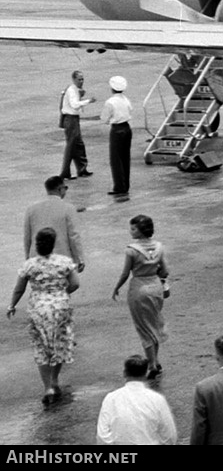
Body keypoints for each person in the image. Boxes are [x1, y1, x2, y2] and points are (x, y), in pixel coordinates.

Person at [7, 227, 80, 405]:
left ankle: (47, 387)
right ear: (53, 244)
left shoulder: (30, 265)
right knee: (59, 343)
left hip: (38, 308)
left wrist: (12, 305)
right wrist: (62, 293)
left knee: (41, 347)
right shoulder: (64, 262)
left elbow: (19, 288)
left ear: (36, 245)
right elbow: (75, 283)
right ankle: (55, 380)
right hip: (60, 306)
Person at [112, 215, 168, 377]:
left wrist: (117, 287)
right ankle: (155, 360)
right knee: (154, 323)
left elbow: (125, 273)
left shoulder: (131, 250)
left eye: (133, 228)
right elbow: (165, 270)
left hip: (139, 288)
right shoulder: (159, 247)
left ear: (141, 230)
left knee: (143, 328)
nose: (131, 231)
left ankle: (151, 365)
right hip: (156, 287)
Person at [97, 354, 178, 445]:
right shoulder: (158, 400)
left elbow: (102, 436)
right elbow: (169, 436)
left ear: (124, 373)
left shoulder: (111, 398)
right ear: (146, 374)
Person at [23, 177, 84, 272]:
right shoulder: (68, 208)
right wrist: (79, 259)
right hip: (62, 259)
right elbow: (74, 236)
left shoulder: (31, 209)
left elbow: (27, 237)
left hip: (37, 259)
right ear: (60, 189)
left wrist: (28, 258)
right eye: (65, 188)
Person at [58, 70, 95, 179]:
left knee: (79, 144)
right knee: (71, 146)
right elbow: (74, 105)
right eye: (79, 79)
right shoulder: (72, 91)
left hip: (74, 119)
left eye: (82, 79)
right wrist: (88, 101)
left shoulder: (75, 90)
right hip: (71, 120)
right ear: (74, 79)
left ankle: (82, 169)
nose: (81, 81)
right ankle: (65, 172)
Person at [101, 76, 134, 197]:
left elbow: (104, 118)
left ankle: (119, 186)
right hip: (127, 128)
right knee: (125, 157)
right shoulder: (126, 100)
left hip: (117, 129)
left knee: (116, 159)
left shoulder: (110, 102)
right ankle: (126, 185)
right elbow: (130, 110)